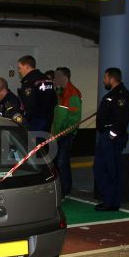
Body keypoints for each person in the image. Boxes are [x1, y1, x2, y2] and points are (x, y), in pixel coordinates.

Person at [93, 67, 129, 211]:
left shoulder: (121, 95)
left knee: (109, 169)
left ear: (111, 78)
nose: (104, 80)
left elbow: (122, 118)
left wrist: (112, 134)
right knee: (102, 168)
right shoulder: (113, 94)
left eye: (105, 77)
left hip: (111, 138)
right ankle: (109, 200)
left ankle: (111, 202)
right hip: (106, 136)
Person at [51, 67, 82, 198]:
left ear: (65, 77)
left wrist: (61, 132)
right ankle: (65, 188)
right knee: (62, 162)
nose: (54, 79)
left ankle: (64, 190)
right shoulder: (59, 92)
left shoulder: (73, 93)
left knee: (62, 162)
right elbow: (57, 115)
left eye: (57, 76)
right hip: (58, 133)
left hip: (66, 134)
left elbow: (74, 117)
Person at [17, 55, 57, 133]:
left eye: (20, 68)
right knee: (44, 143)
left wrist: (25, 119)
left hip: (35, 121)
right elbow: (54, 100)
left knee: (34, 144)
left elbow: (29, 104)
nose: (19, 71)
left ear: (27, 66)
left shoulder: (30, 82)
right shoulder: (47, 79)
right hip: (48, 119)